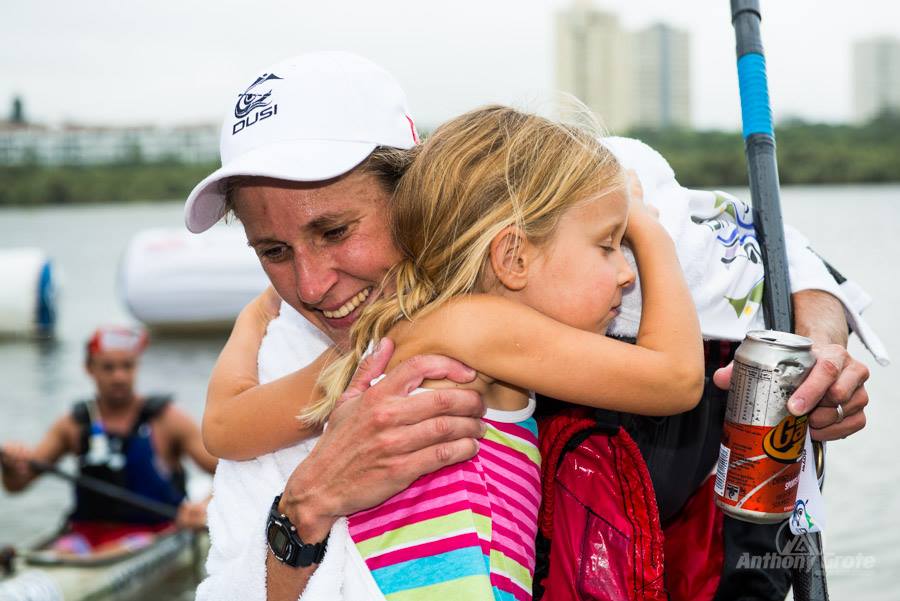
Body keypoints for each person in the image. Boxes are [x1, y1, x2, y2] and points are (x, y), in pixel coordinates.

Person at [183, 52, 880, 601]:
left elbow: (777, 255)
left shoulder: (552, 208)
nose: (307, 284)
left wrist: (823, 347)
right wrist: (304, 500)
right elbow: (674, 378)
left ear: (419, 186)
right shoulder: (457, 321)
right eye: (272, 253)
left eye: (335, 230)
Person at [204, 105, 705, 599]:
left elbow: (226, 426)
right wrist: (648, 229)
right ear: (512, 258)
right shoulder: (474, 327)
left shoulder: (402, 329)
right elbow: (676, 380)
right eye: (607, 245)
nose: (626, 272)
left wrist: (250, 324)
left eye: (623, 243)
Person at [0, 326, 217, 555]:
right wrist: (10, 466)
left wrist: (203, 507)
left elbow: (227, 470)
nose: (119, 377)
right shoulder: (73, 424)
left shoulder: (168, 420)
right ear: (89, 369)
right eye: (108, 367)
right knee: (61, 554)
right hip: (85, 535)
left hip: (152, 532)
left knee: (107, 552)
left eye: (127, 366)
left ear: (137, 367)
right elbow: (17, 486)